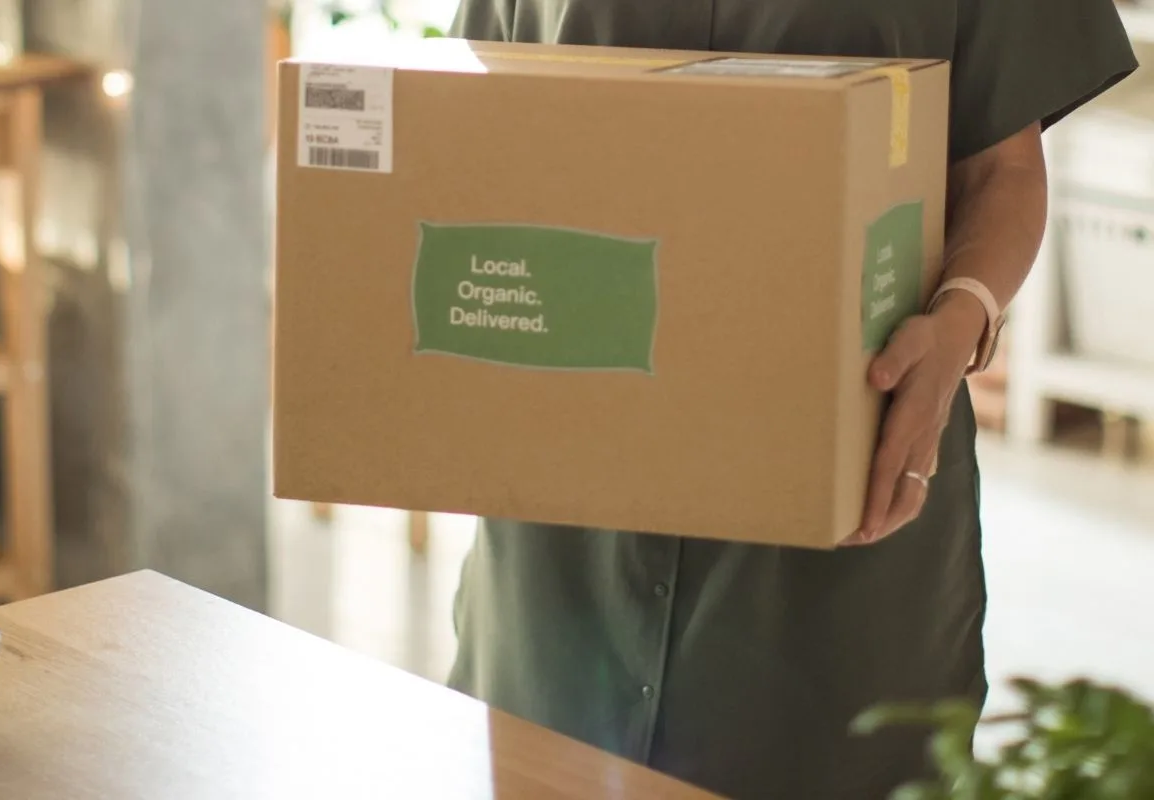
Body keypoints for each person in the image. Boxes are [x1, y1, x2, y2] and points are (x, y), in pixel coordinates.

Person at [444, 2, 1138, 797]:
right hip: (564, 537)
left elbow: (1003, 172)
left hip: (845, 514)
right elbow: (482, 125)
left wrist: (963, 314)